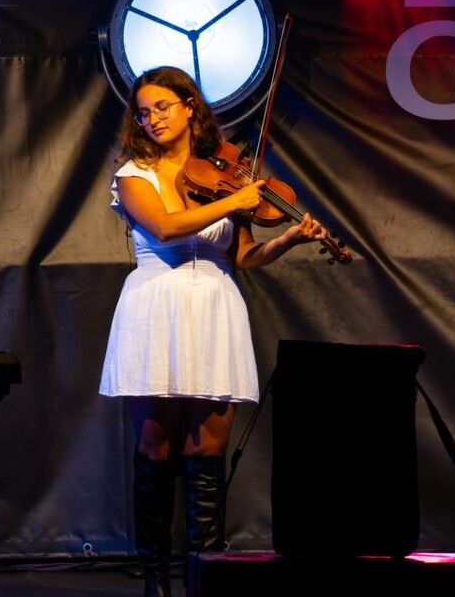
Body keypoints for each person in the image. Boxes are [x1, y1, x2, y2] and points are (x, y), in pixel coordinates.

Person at [97, 66, 328, 597]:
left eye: (163, 106)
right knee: (156, 446)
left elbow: (242, 256)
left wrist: (288, 238)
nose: (152, 119)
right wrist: (235, 201)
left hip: (216, 304)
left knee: (207, 451)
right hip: (156, 304)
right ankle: (156, 580)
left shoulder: (225, 174)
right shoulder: (134, 175)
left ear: (189, 107)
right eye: (143, 112)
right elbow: (164, 227)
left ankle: (204, 577)